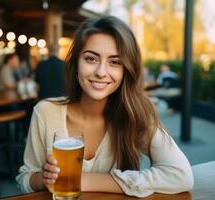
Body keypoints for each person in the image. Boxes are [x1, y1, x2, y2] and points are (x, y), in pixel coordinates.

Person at [16, 16, 193, 198]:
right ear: (76, 63)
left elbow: (181, 175)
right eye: (91, 59)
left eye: (115, 62)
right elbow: (25, 178)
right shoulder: (45, 111)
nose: (101, 72)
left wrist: (80, 179)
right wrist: (44, 179)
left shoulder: (133, 114)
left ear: (126, 70)